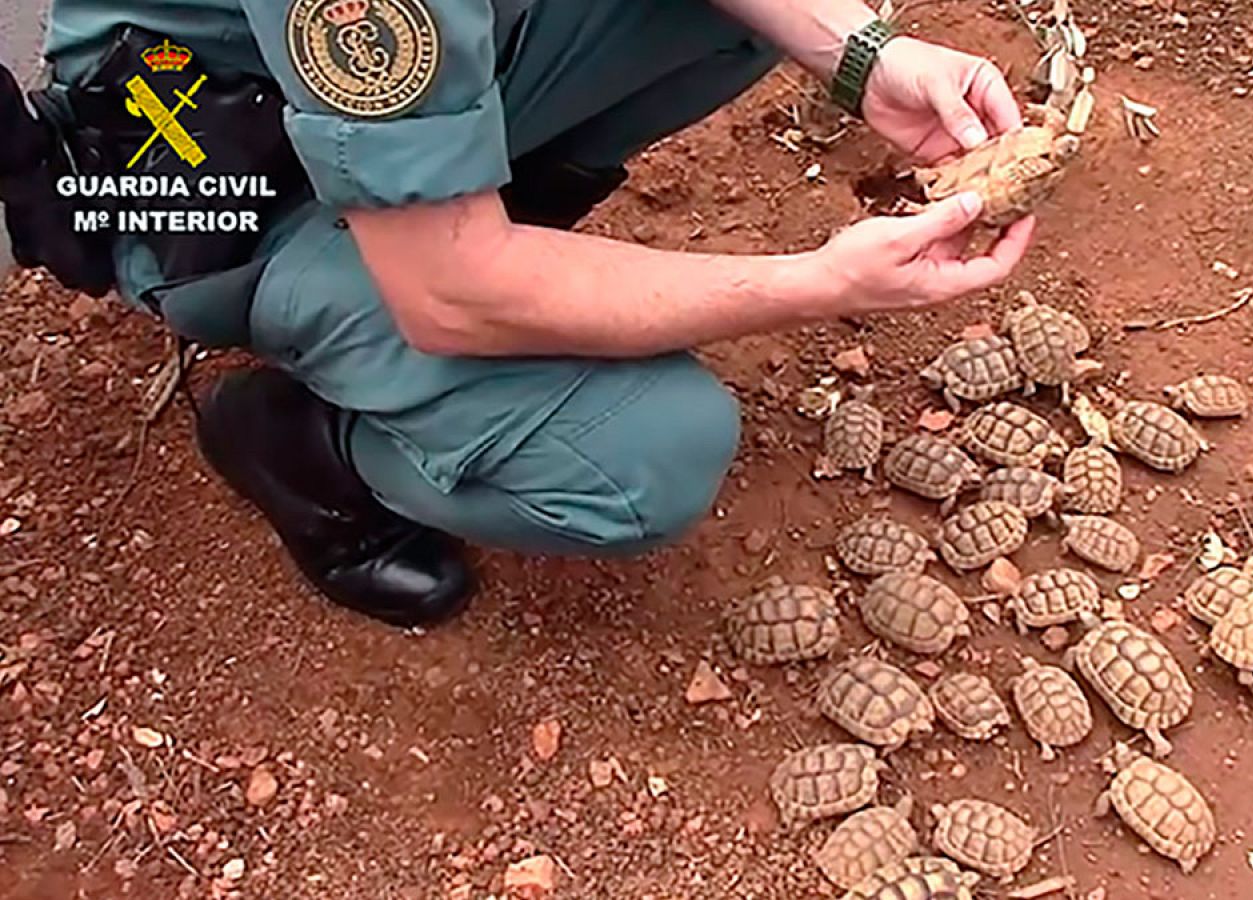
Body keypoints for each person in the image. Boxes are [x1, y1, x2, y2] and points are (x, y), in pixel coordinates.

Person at [1, 0, 1036, 628]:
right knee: (646, 458)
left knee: (711, 21)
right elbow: (455, 291)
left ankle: (469, 202)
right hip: (218, 184)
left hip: (355, 119)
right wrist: (818, 283)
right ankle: (303, 445)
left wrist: (863, 58)